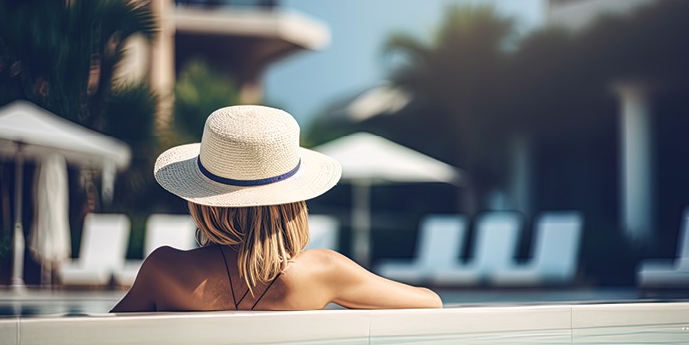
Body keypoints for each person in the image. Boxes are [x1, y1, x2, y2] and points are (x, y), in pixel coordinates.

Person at [111, 105, 442, 312]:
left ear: (203, 202)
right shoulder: (325, 273)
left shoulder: (164, 271)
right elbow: (430, 302)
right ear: (292, 204)